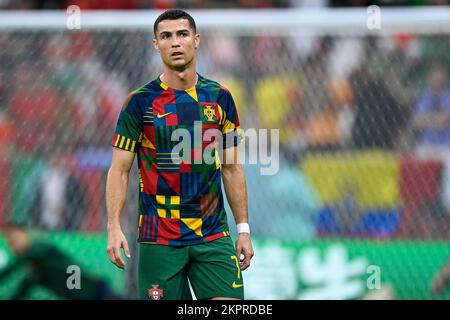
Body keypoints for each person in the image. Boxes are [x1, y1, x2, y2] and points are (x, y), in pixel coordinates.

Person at [105, 9, 254, 300]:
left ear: (196, 40)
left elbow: (232, 168)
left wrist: (244, 229)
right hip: (159, 237)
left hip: (212, 234)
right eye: (166, 36)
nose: (175, 42)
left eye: (182, 34)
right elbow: (119, 169)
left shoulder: (220, 97)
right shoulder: (139, 102)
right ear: (155, 45)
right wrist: (113, 226)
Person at [0, 224, 122, 299]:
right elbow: (21, 290)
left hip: (97, 291)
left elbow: (15, 266)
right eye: (10, 243)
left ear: (25, 234)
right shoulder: (36, 270)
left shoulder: (40, 248)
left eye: (15, 239)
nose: (13, 246)